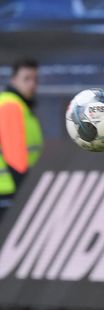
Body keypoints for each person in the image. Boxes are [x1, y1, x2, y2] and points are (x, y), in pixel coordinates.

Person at [0, 59, 43, 222]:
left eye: (35, 79)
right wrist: (25, 190)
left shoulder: (20, 105)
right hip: (8, 189)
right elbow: (14, 157)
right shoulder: (11, 105)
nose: (32, 84)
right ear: (13, 80)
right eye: (26, 78)